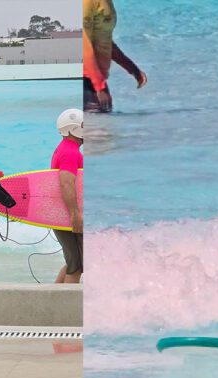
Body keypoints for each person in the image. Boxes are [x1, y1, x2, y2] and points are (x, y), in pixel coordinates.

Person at [83, 0, 147, 112]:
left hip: (95, 79)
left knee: (105, 125)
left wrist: (132, 69)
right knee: (97, 126)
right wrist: (99, 85)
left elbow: (103, 40)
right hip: (86, 82)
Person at [52, 109, 84, 283]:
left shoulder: (64, 149)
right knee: (77, 265)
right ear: (72, 129)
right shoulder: (71, 152)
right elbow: (66, 183)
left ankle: (54, 302)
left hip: (62, 212)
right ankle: (65, 309)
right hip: (68, 214)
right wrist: (74, 214)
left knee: (75, 262)